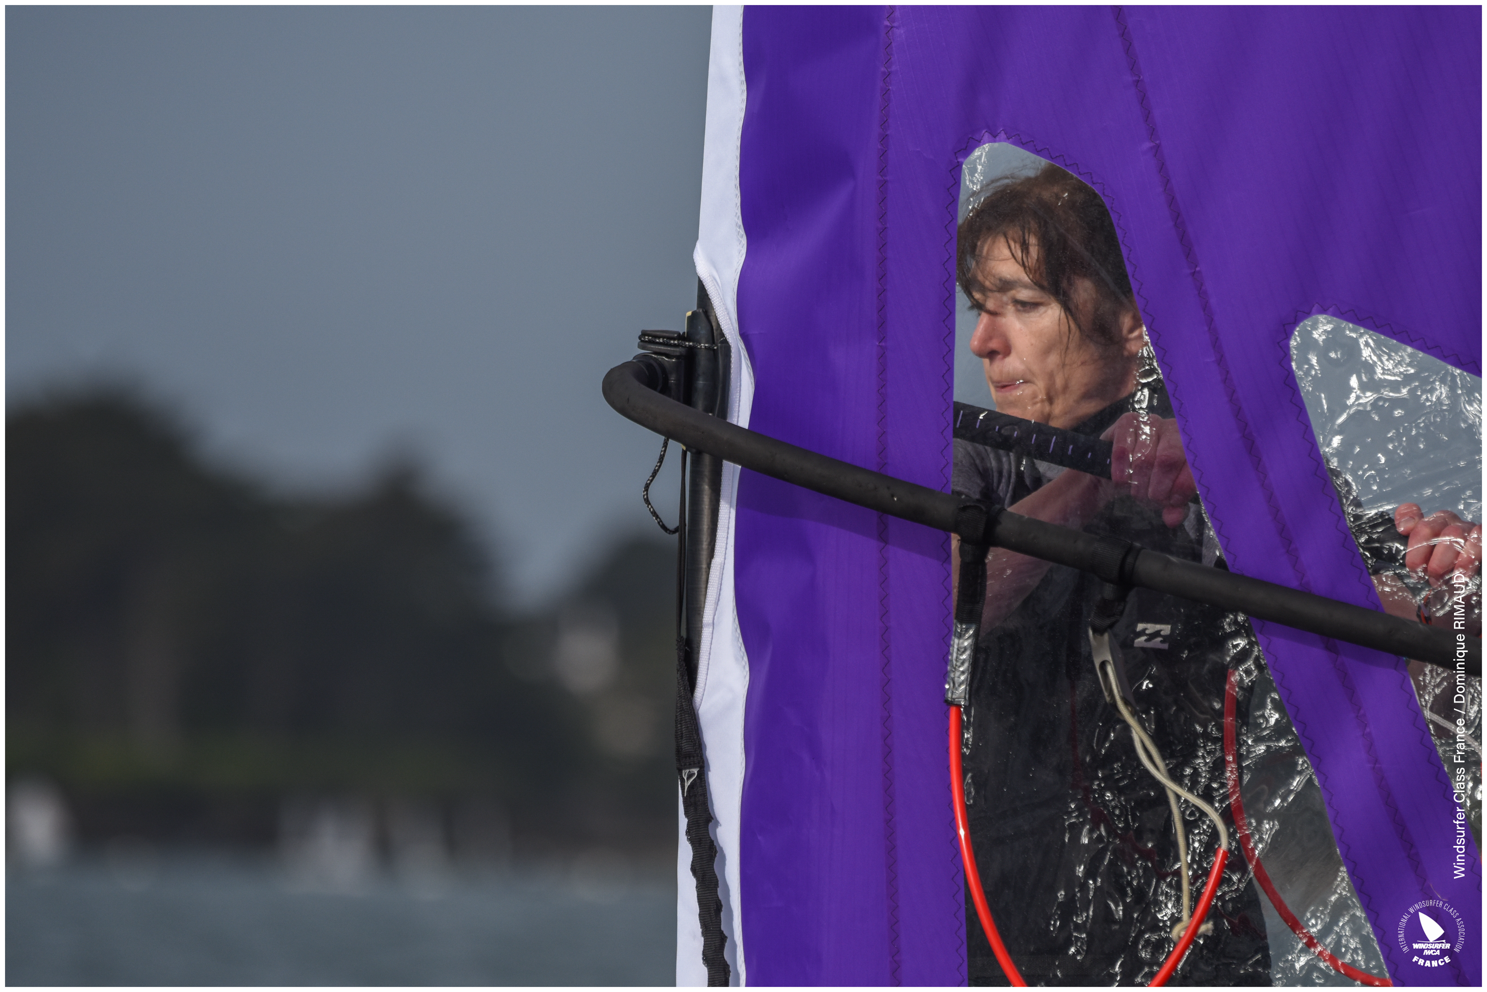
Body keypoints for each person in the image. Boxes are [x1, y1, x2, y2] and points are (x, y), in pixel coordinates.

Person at [953, 162, 1481, 986]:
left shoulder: (1239, 469)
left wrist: (1448, 586)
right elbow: (930, 605)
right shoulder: (977, 459)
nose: (984, 342)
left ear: (1132, 321)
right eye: (980, 309)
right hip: (990, 945)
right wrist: (1092, 486)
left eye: (1022, 305)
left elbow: (1403, 649)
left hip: (1200, 950)